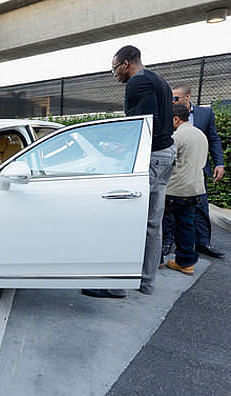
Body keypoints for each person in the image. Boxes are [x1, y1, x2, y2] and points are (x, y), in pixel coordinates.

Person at [83, 45, 176, 298]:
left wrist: (122, 149)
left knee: (126, 219)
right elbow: (159, 123)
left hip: (150, 159)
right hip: (166, 155)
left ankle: (115, 285)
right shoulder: (160, 81)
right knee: (152, 225)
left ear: (126, 63)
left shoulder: (137, 83)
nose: (114, 74)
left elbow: (147, 123)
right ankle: (146, 283)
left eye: (114, 68)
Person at [163, 84, 225, 258]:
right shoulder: (169, 113)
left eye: (176, 98)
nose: (172, 101)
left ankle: (203, 243)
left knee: (200, 208)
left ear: (187, 97)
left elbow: (213, 139)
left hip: (198, 170)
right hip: (177, 171)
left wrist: (219, 163)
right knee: (176, 212)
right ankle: (169, 243)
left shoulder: (205, 114)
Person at [162, 104, 209, 275]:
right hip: (195, 188)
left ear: (176, 119)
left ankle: (157, 259)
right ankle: (186, 262)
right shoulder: (200, 134)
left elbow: (167, 161)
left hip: (175, 188)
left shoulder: (177, 136)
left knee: (161, 224)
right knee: (187, 225)